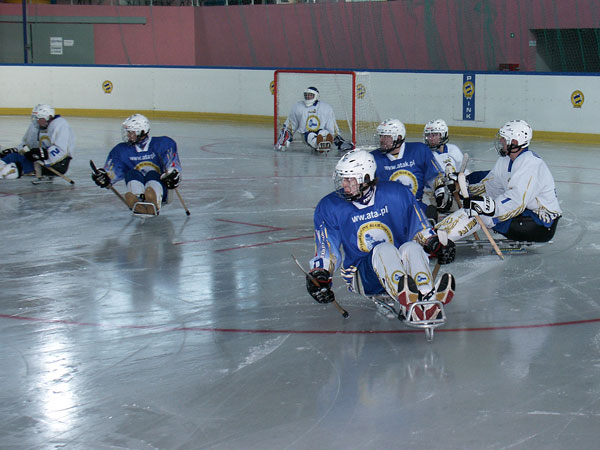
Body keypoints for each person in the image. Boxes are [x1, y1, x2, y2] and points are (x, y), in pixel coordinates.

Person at [306, 149, 456, 322]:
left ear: (366, 178)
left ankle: (426, 297)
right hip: (362, 275)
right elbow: (327, 248)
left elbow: (420, 228)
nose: (344, 185)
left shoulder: (397, 193)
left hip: (401, 265)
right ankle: (408, 300)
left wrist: (434, 243)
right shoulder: (329, 206)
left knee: (411, 247)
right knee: (384, 248)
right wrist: (320, 272)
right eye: (342, 179)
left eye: (349, 179)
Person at [436, 120, 562, 243]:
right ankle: (437, 232)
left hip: (541, 224)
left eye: (503, 138)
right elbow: (491, 185)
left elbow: (516, 202)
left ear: (514, 142)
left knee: (480, 213)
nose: (500, 141)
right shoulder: (506, 160)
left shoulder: (530, 164)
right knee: (477, 207)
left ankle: (438, 239)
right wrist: (464, 186)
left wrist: (490, 208)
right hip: (527, 214)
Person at [91, 114, 182, 215]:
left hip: (161, 189)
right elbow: (113, 171)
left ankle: (153, 200)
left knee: (152, 174)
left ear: (142, 131)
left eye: (131, 132)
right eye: (128, 132)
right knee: (132, 174)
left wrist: (172, 174)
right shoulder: (121, 150)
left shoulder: (163, 144)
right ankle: (137, 201)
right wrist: (104, 176)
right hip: (137, 185)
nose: (128, 135)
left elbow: (172, 165)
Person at [370, 118, 443, 220]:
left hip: (415, 206)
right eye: (381, 136)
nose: (382, 140)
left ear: (399, 137)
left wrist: (441, 191)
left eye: (386, 136)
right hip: (386, 211)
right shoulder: (372, 158)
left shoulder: (419, 150)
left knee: (431, 216)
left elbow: (435, 177)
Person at [0, 104, 75, 180]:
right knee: (8, 158)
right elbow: (27, 144)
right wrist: (16, 150)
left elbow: (61, 150)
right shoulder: (36, 126)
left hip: (56, 163)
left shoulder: (60, 125)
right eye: (36, 118)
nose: (36, 120)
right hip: (37, 160)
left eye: (39, 118)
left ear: (48, 117)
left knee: (8, 172)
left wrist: (43, 154)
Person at [275, 86, 354, 153]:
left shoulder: (326, 108)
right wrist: (286, 136)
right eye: (306, 95)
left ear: (316, 96)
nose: (308, 97)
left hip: (320, 132)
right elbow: (291, 124)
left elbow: (332, 126)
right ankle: (319, 144)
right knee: (311, 136)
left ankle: (323, 143)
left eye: (310, 95)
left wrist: (337, 138)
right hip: (306, 134)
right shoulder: (298, 107)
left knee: (325, 133)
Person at [423, 119, 467, 217]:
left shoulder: (453, 150)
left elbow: (461, 172)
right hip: (430, 195)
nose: (431, 138)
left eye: (434, 135)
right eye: (428, 135)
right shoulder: (423, 153)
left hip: (453, 193)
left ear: (443, 135)